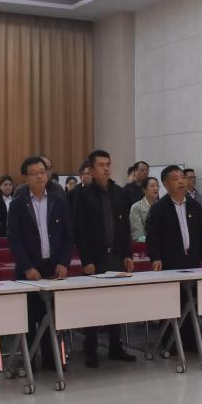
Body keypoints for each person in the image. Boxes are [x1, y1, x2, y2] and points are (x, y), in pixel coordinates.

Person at [8, 156, 72, 371]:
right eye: (34, 173)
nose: (39, 176)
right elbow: (15, 239)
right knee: (29, 318)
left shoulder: (59, 201)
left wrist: (64, 262)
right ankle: (30, 362)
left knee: (51, 316)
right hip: (29, 270)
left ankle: (51, 360)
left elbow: (68, 235)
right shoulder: (18, 204)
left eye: (42, 172)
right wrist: (27, 266)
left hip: (53, 267)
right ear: (25, 178)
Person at [74, 149, 135, 365]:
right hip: (95, 258)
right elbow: (79, 231)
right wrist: (86, 261)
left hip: (116, 256)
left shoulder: (119, 193)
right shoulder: (83, 195)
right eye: (101, 165)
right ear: (91, 170)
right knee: (93, 304)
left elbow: (125, 227)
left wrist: (127, 254)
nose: (106, 168)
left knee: (115, 303)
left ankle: (115, 347)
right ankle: (90, 349)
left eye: (108, 164)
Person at [147, 166, 202, 352]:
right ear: (166, 184)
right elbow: (152, 236)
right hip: (170, 261)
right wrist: (155, 258)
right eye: (175, 178)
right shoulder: (159, 208)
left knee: (191, 302)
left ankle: (191, 341)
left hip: (192, 261)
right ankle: (170, 343)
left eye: (182, 177)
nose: (181, 181)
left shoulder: (194, 205)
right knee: (173, 303)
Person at [129, 176, 160, 242]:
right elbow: (138, 236)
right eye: (152, 186)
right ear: (144, 189)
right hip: (146, 245)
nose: (156, 188)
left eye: (157, 186)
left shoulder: (163, 206)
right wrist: (153, 243)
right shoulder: (137, 207)